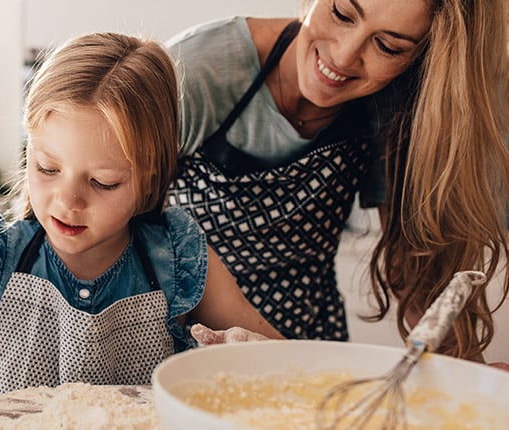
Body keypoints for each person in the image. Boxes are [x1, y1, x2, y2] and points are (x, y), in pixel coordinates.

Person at [0, 32, 283, 395]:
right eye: (47, 168)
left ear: (150, 178)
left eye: (103, 182)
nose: (67, 201)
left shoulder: (178, 256)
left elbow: (293, 363)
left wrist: (251, 356)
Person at [164, 0, 509, 365]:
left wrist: (470, 372)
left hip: (312, 337)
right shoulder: (196, 70)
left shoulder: (396, 102)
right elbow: (123, 239)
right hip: (195, 344)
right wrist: (285, 361)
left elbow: (413, 267)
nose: (344, 57)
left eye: (388, 47)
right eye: (342, 13)